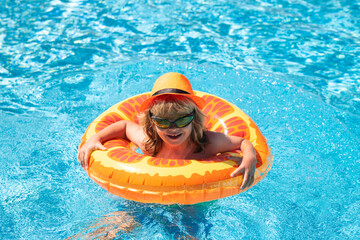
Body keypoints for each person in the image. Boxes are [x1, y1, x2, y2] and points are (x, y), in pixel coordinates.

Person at [78, 72, 256, 190]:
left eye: (182, 120)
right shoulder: (150, 142)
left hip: (192, 198)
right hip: (149, 193)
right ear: (151, 122)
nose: (173, 128)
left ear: (195, 119)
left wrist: (249, 157)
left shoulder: (207, 143)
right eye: (163, 122)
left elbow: (242, 142)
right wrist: (96, 138)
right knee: (117, 225)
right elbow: (124, 126)